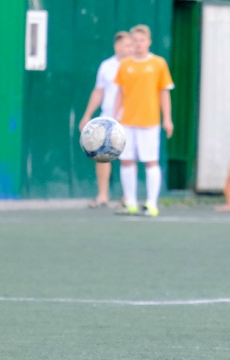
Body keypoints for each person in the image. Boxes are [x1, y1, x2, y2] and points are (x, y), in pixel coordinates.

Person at [114, 24, 174, 217]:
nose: (139, 44)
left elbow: (164, 92)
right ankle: (130, 202)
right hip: (127, 121)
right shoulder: (125, 65)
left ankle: (151, 204)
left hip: (149, 122)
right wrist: (115, 117)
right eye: (135, 41)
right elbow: (120, 92)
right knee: (126, 161)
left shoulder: (158, 64)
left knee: (151, 161)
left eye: (142, 40)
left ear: (149, 42)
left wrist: (167, 119)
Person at [79, 31, 133, 208]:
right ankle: (102, 195)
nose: (128, 48)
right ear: (116, 46)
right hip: (108, 117)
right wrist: (87, 115)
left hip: (130, 117)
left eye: (130, 45)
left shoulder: (135, 65)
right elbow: (99, 91)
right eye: (125, 44)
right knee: (102, 155)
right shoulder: (106, 66)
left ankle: (128, 197)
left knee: (128, 157)